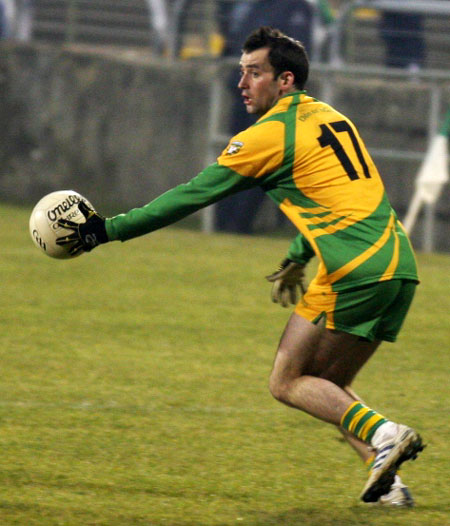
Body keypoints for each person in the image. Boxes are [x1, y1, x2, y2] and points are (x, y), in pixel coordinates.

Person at [56, 27, 424, 506]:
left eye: (254, 73)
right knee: (327, 385)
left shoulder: (266, 136)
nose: (242, 83)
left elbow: (188, 197)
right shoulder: (330, 117)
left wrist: (104, 230)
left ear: (285, 80)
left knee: (287, 379)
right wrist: (297, 256)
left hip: (353, 270)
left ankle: (385, 434)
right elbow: (344, 200)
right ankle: (388, 486)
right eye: (242, 72)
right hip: (398, 267)